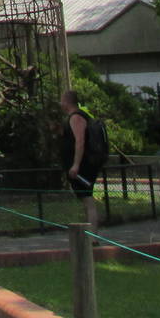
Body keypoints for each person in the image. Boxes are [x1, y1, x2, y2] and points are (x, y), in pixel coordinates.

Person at [60, 89, 104, 227]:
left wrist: (76, 164)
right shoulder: (75, 116)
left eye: (62, 100)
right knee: (85, 200)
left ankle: (93, 237)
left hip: (84, 166)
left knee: (88, 200)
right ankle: (89, 234)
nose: (60, 103)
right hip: (82, 165)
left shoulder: (76, 117)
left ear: (67, 102)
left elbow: (80, 141)